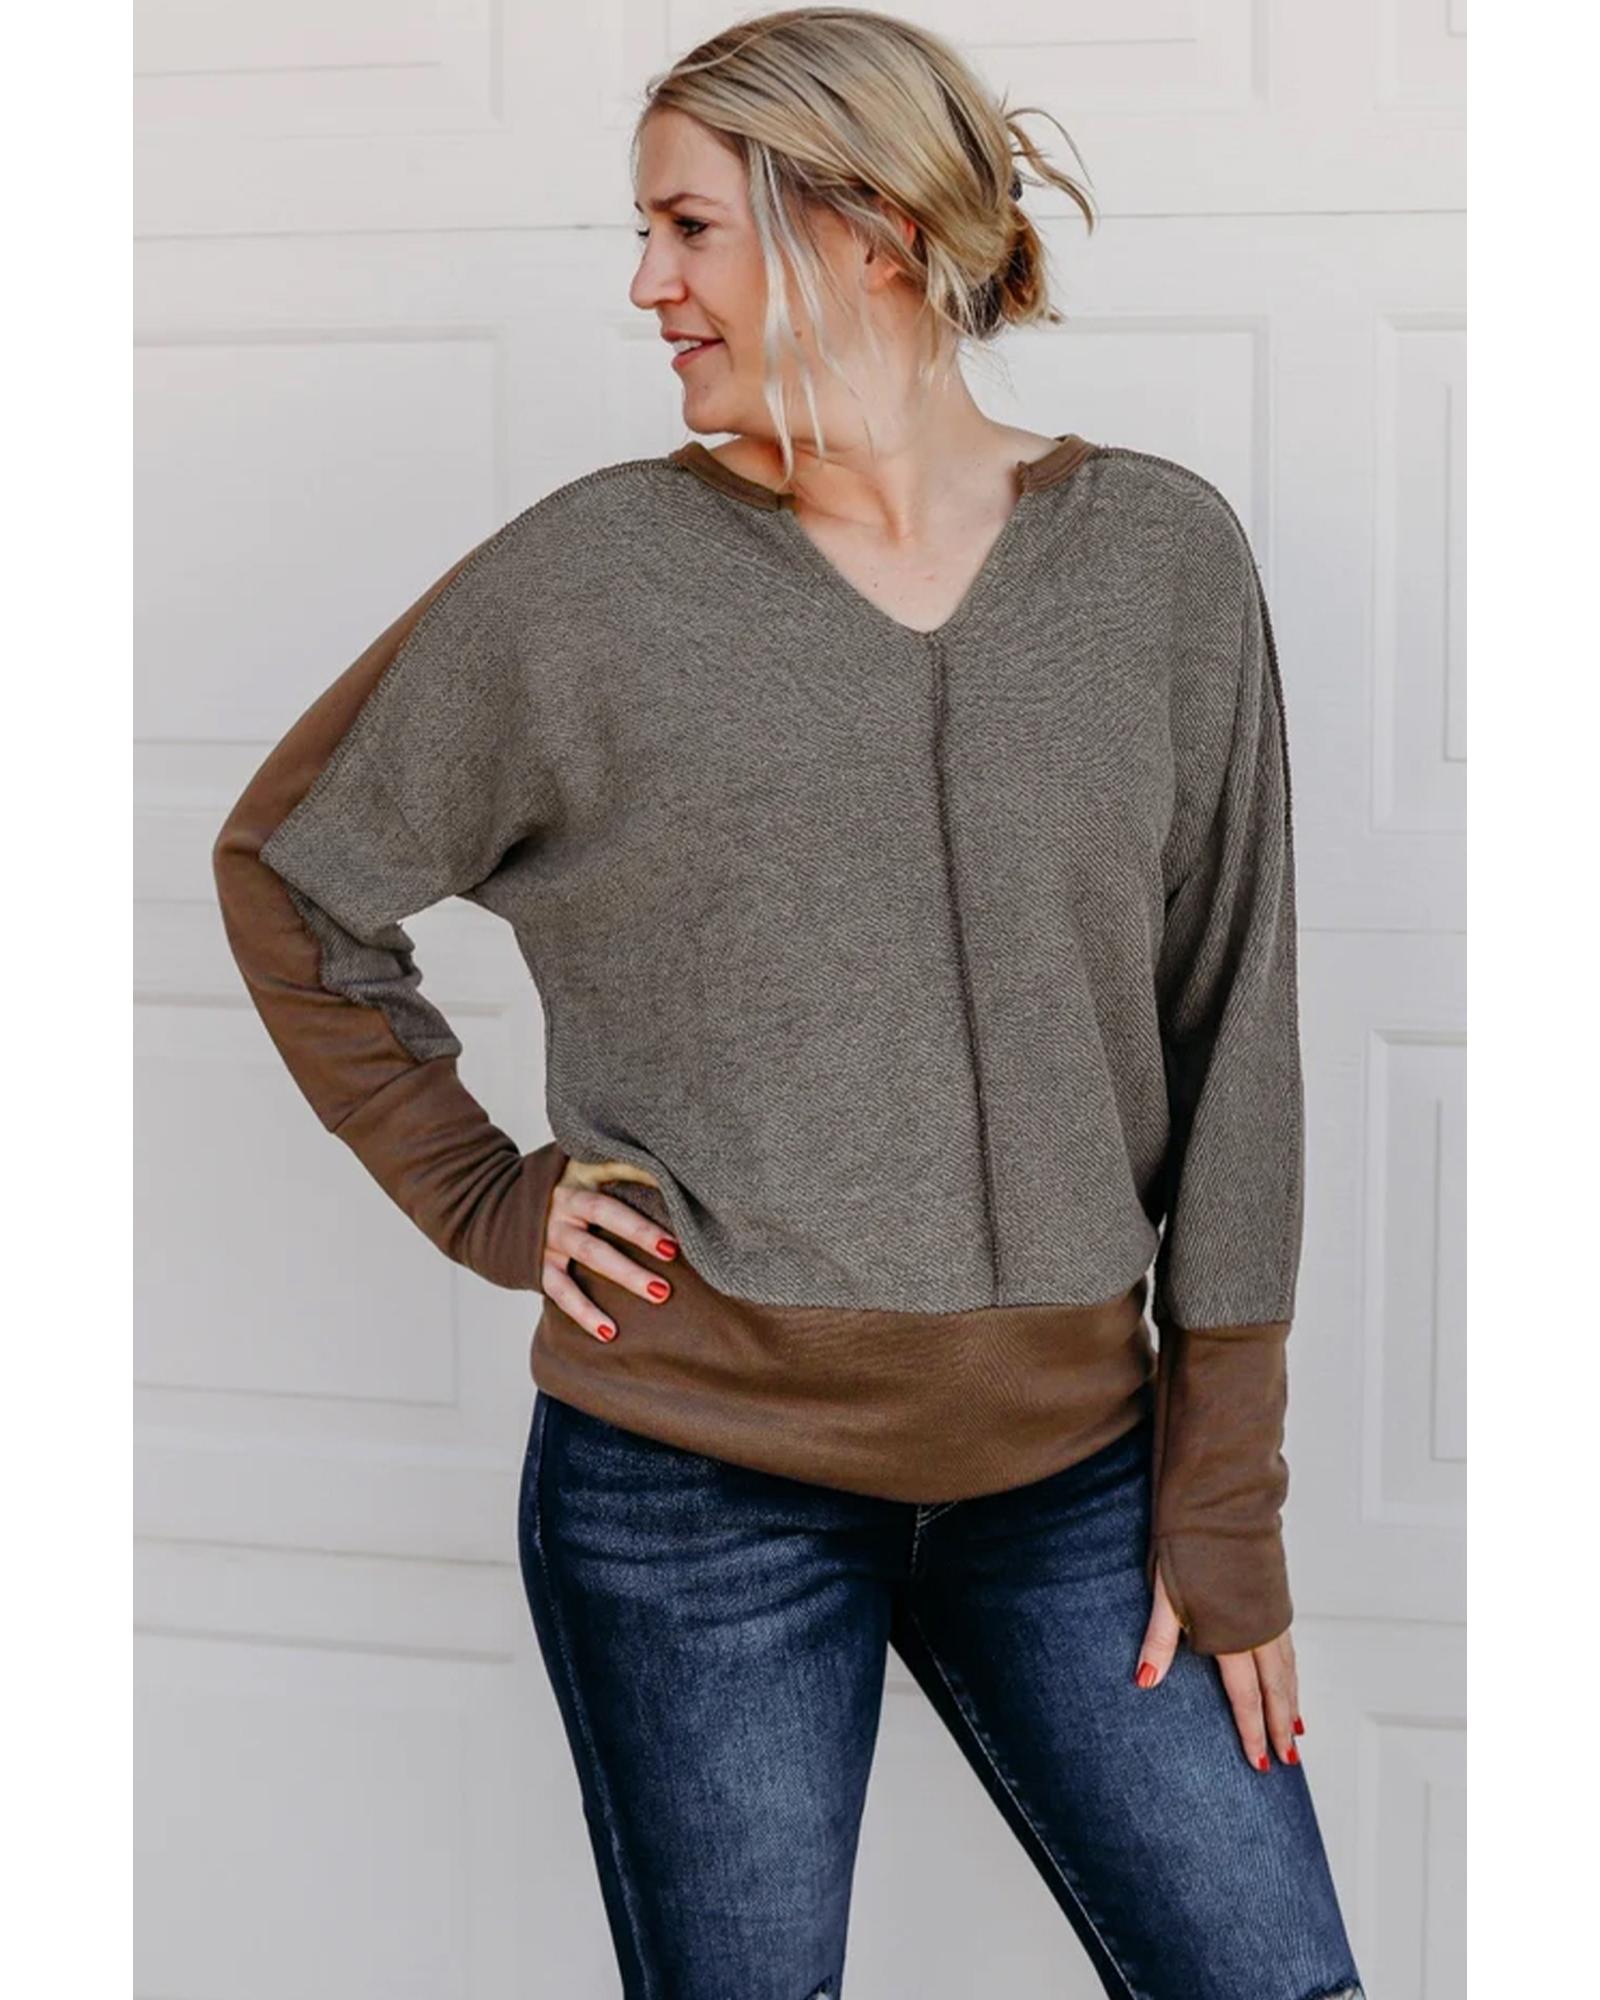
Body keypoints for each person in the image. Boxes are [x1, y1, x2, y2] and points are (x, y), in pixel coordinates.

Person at [212, 8, 1367, 1996]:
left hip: (1083, 1481)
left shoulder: (1156, 561)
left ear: (869, 232)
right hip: (692, 1494)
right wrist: (486, 1194)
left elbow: (1232, 1028)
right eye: (642, 234)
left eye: (688, 229)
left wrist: (1225, 1491)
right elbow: (292, 873)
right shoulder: (590, 582)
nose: (644, 285)